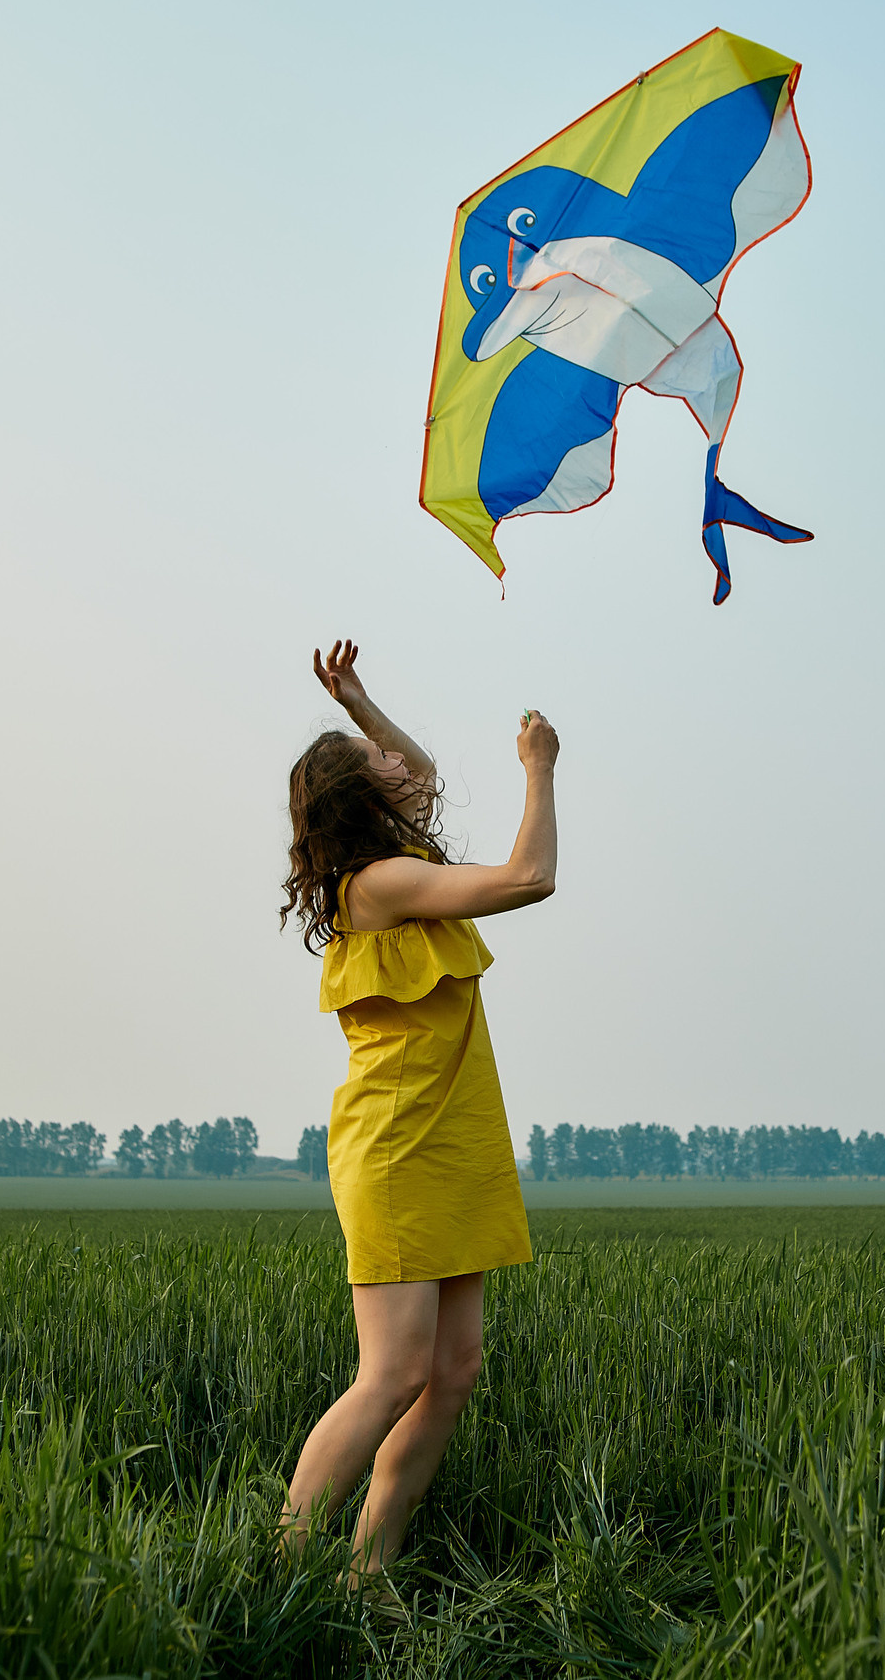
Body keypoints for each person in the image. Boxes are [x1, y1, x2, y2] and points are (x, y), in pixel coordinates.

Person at [275, 639, 557, 1588]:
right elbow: (529, 877)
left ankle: (366, 1574)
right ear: (365, 800)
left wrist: (360, 706)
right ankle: (281, 1563)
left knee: (455, 1369)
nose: (406, 763)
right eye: (379, 763)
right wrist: (540, 766)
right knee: (393, 1373)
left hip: (450, 1142)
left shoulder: (399, 864)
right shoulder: (382, 886)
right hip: (396, 1149)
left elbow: (424, 772)